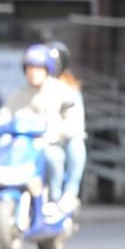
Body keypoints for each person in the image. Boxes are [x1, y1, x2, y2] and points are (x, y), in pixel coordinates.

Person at [0, 43, 77, 205]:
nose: (33, 73)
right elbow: (4, 115)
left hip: (46, 144)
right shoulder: (18, 93)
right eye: (30, 68)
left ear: (47, 69)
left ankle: (54, 199)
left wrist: (58, 132)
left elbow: (71, 121)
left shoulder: (60, 91)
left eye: (38, 68)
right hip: (21, 145)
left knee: (53, 157)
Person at [48, 41, 87, 213]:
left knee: (76, 144)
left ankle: (67, 194)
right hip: (34, 139)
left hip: (58, 138)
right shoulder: (30, 87)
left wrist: (60, 130)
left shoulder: (69, 89)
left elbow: (76, 122)